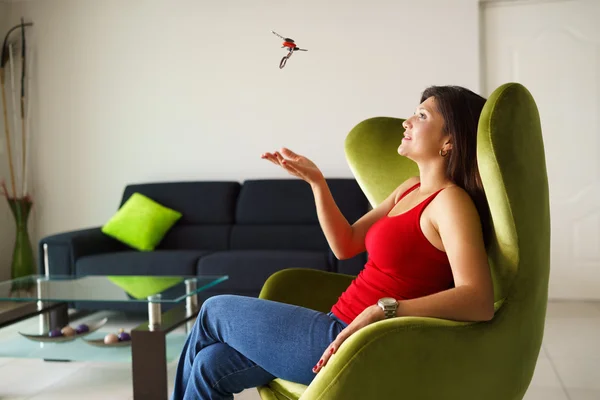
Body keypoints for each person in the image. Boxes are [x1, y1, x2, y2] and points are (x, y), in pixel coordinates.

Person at [171, 85, 495, 400]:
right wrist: (317, 182)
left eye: (421, 116)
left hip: (360, 342)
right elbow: (346, 244)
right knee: (209, 365)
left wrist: (383, 311)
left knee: (214, 309)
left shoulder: (451, 202)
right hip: (334, 324)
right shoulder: (408, 189)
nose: (406, 122)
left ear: (449, 140)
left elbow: (477, 299)